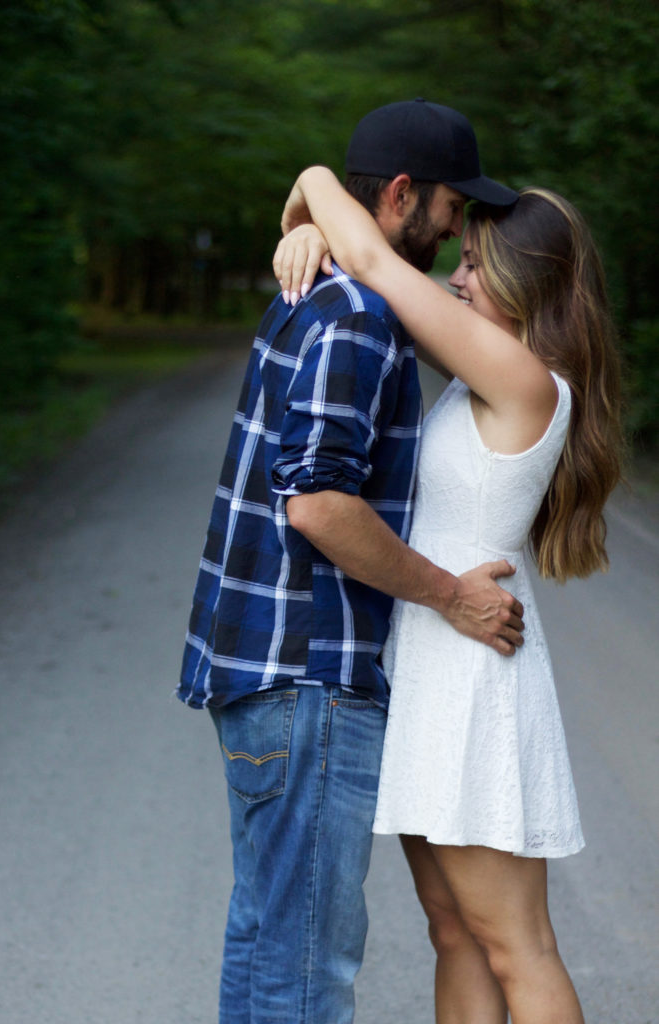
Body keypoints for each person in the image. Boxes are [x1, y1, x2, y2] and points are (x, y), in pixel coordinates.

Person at [178, 98, 524, 1024]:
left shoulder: (324, 290)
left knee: (264, 938)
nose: (457, 231)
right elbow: (321, 502)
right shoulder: (362, 316)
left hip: (262, 670)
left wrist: (302, 217)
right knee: (304, 968)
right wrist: (450, 595)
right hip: (310, 678)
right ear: (404, 194)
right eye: (453, 207)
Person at [273, 167, 623, 1023]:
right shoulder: (487, 366)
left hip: (475, 678)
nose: (456, 278)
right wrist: (302, 232)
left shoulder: (521, 379)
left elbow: (375, 261)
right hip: (435, 661)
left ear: (523, 288)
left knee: (516, 944)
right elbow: (355, 263)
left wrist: (314, 180)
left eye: (474, 265)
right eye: (461, 259)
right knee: (455, 932)